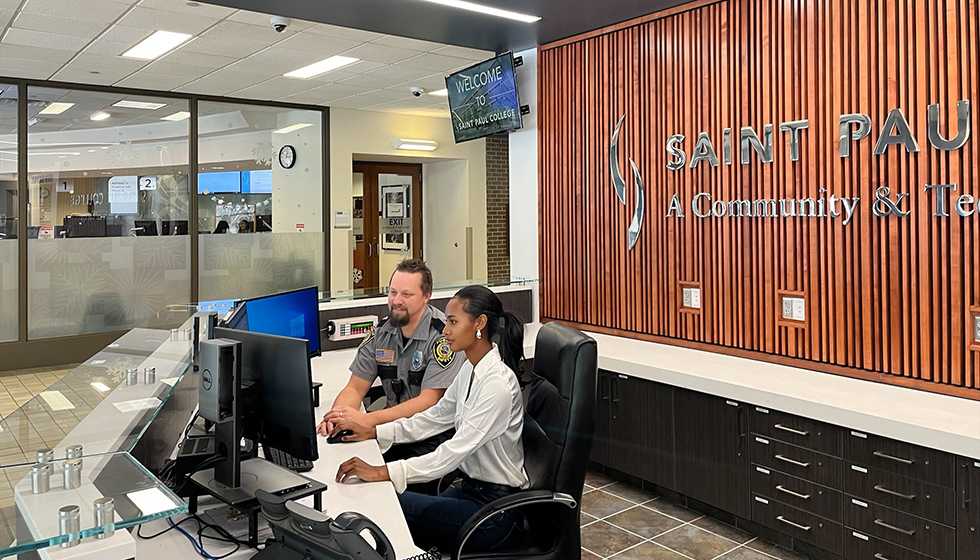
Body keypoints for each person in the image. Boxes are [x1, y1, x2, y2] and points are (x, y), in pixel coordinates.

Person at [330, 285, 528, 553]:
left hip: (495, 513)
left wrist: (383, 472)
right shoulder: (471, 368)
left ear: (479, 323)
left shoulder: (497, 386)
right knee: (386, 506)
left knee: (382, 504)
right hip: (471, 492)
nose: (445, 330)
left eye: (453, 322)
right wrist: (376, 432)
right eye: (447, 321)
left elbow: (452, 453)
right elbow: (433, 417)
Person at [317, 259, 465, 486]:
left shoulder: (444, 336)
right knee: (338, 471)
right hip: (393, 433)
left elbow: (429, 400)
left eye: (406, 294)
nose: (396, 301)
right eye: (393, 292)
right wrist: (339, 417)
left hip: (432, 439)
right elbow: (355, 387)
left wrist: (366, 420)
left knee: (369, 487)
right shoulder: (381, 333)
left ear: (427, 296)